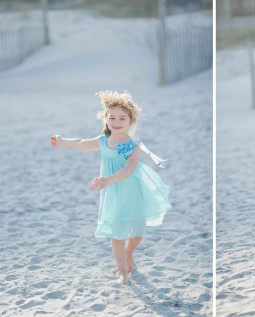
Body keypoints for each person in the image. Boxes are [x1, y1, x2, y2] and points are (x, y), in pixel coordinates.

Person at [51, 90, 171, 285]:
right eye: (112, 117)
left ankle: (129, 252)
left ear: (131, 121)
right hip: (114, 195)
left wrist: (107, 180)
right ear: (105, 119)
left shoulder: (133, 145)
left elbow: (129, 170)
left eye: (122, 118)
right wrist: (62, 141)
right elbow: (81, 143)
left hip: (132, 192)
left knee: (138, 232)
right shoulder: (103, 141)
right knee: (117, 234)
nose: (116, 121)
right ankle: (122, 271)